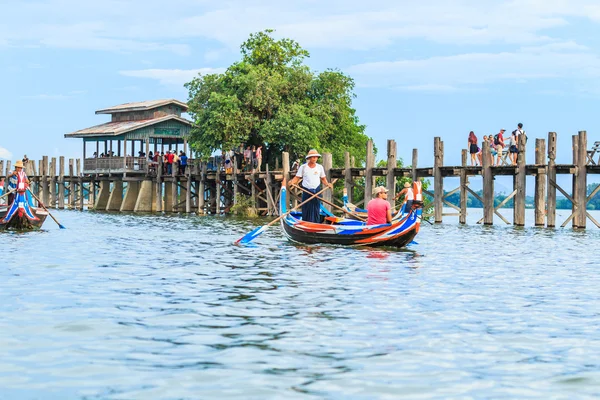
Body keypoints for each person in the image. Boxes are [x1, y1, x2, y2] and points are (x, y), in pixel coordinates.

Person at [288, 149, 333, 223]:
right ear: (309, 158)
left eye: (316, 157)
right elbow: (297, 178)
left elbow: (323, 179)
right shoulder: (303, 167)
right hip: (307, 191)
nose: (315, 158)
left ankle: (316, 224)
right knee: (306, 208)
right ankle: (306, 223)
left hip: (317, 192)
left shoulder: (319, 167)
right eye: (313, 157)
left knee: (316, 209)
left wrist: (328, 184)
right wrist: (292, 182)